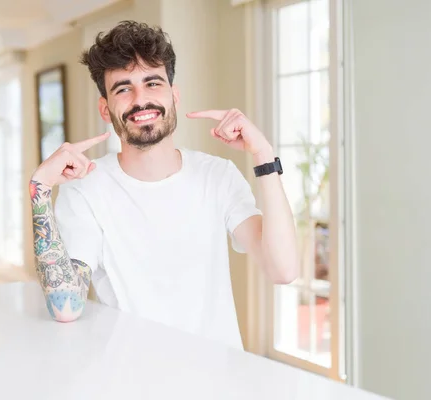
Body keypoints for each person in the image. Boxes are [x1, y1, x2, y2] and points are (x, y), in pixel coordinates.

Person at [29, 20, 299, 350]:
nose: (141, 100)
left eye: (152, 83)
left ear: (174, 96)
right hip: (132, 381)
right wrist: (40, 189)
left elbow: (284, 270)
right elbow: (65, 307)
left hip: (219, 382)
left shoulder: (218, 176)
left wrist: (264, 155)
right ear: (105, 108)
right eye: (123, 88)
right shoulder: (84, 189)